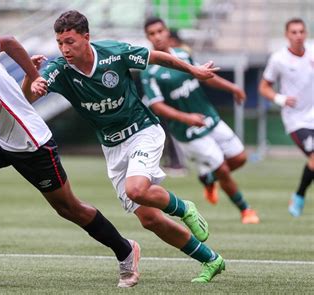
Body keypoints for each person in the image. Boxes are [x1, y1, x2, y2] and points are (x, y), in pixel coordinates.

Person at [0, 10, 142, 288]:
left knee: (70, 208)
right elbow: (9, 41)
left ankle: (125, 250)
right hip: (0, 137)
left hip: (31, 143)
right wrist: (32, 75)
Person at [23, 10, 225, 283]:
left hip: (143, 131)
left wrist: (193, 70)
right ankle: (211, 260)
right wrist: (29, 77)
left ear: (86, 37)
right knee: (149, 220)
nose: (64, 48)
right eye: (60, 43)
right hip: (113, 147)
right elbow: (29, 96)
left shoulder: (113, 53)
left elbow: (156, 57)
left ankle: (183, 207)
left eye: (70, 41)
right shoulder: (59, 69)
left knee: (136, 189)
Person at [140, 17, 260, 225]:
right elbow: (158, 106)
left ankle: (208, 178)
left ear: (167, 32)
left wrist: (233, 88)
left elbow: (205, 76)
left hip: (208, 116)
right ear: (148, 37)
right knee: (222, 167)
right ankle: (246, 210)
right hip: (187, 130)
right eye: (152, 33)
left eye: (160, 31)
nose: (157, 36)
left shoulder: (183, 55)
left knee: (239, 158)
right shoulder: (150, 71)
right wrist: (187, 118)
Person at [259, 18, 313, 217]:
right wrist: (280, 98)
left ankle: (298, 195)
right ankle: (299, 197)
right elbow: (263, 87)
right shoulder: (278, 59)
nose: (298, 36)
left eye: (301, 32)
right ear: (287, 35)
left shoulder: (312, 52)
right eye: (294, 32)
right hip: (296, 120)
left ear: (306, 34)